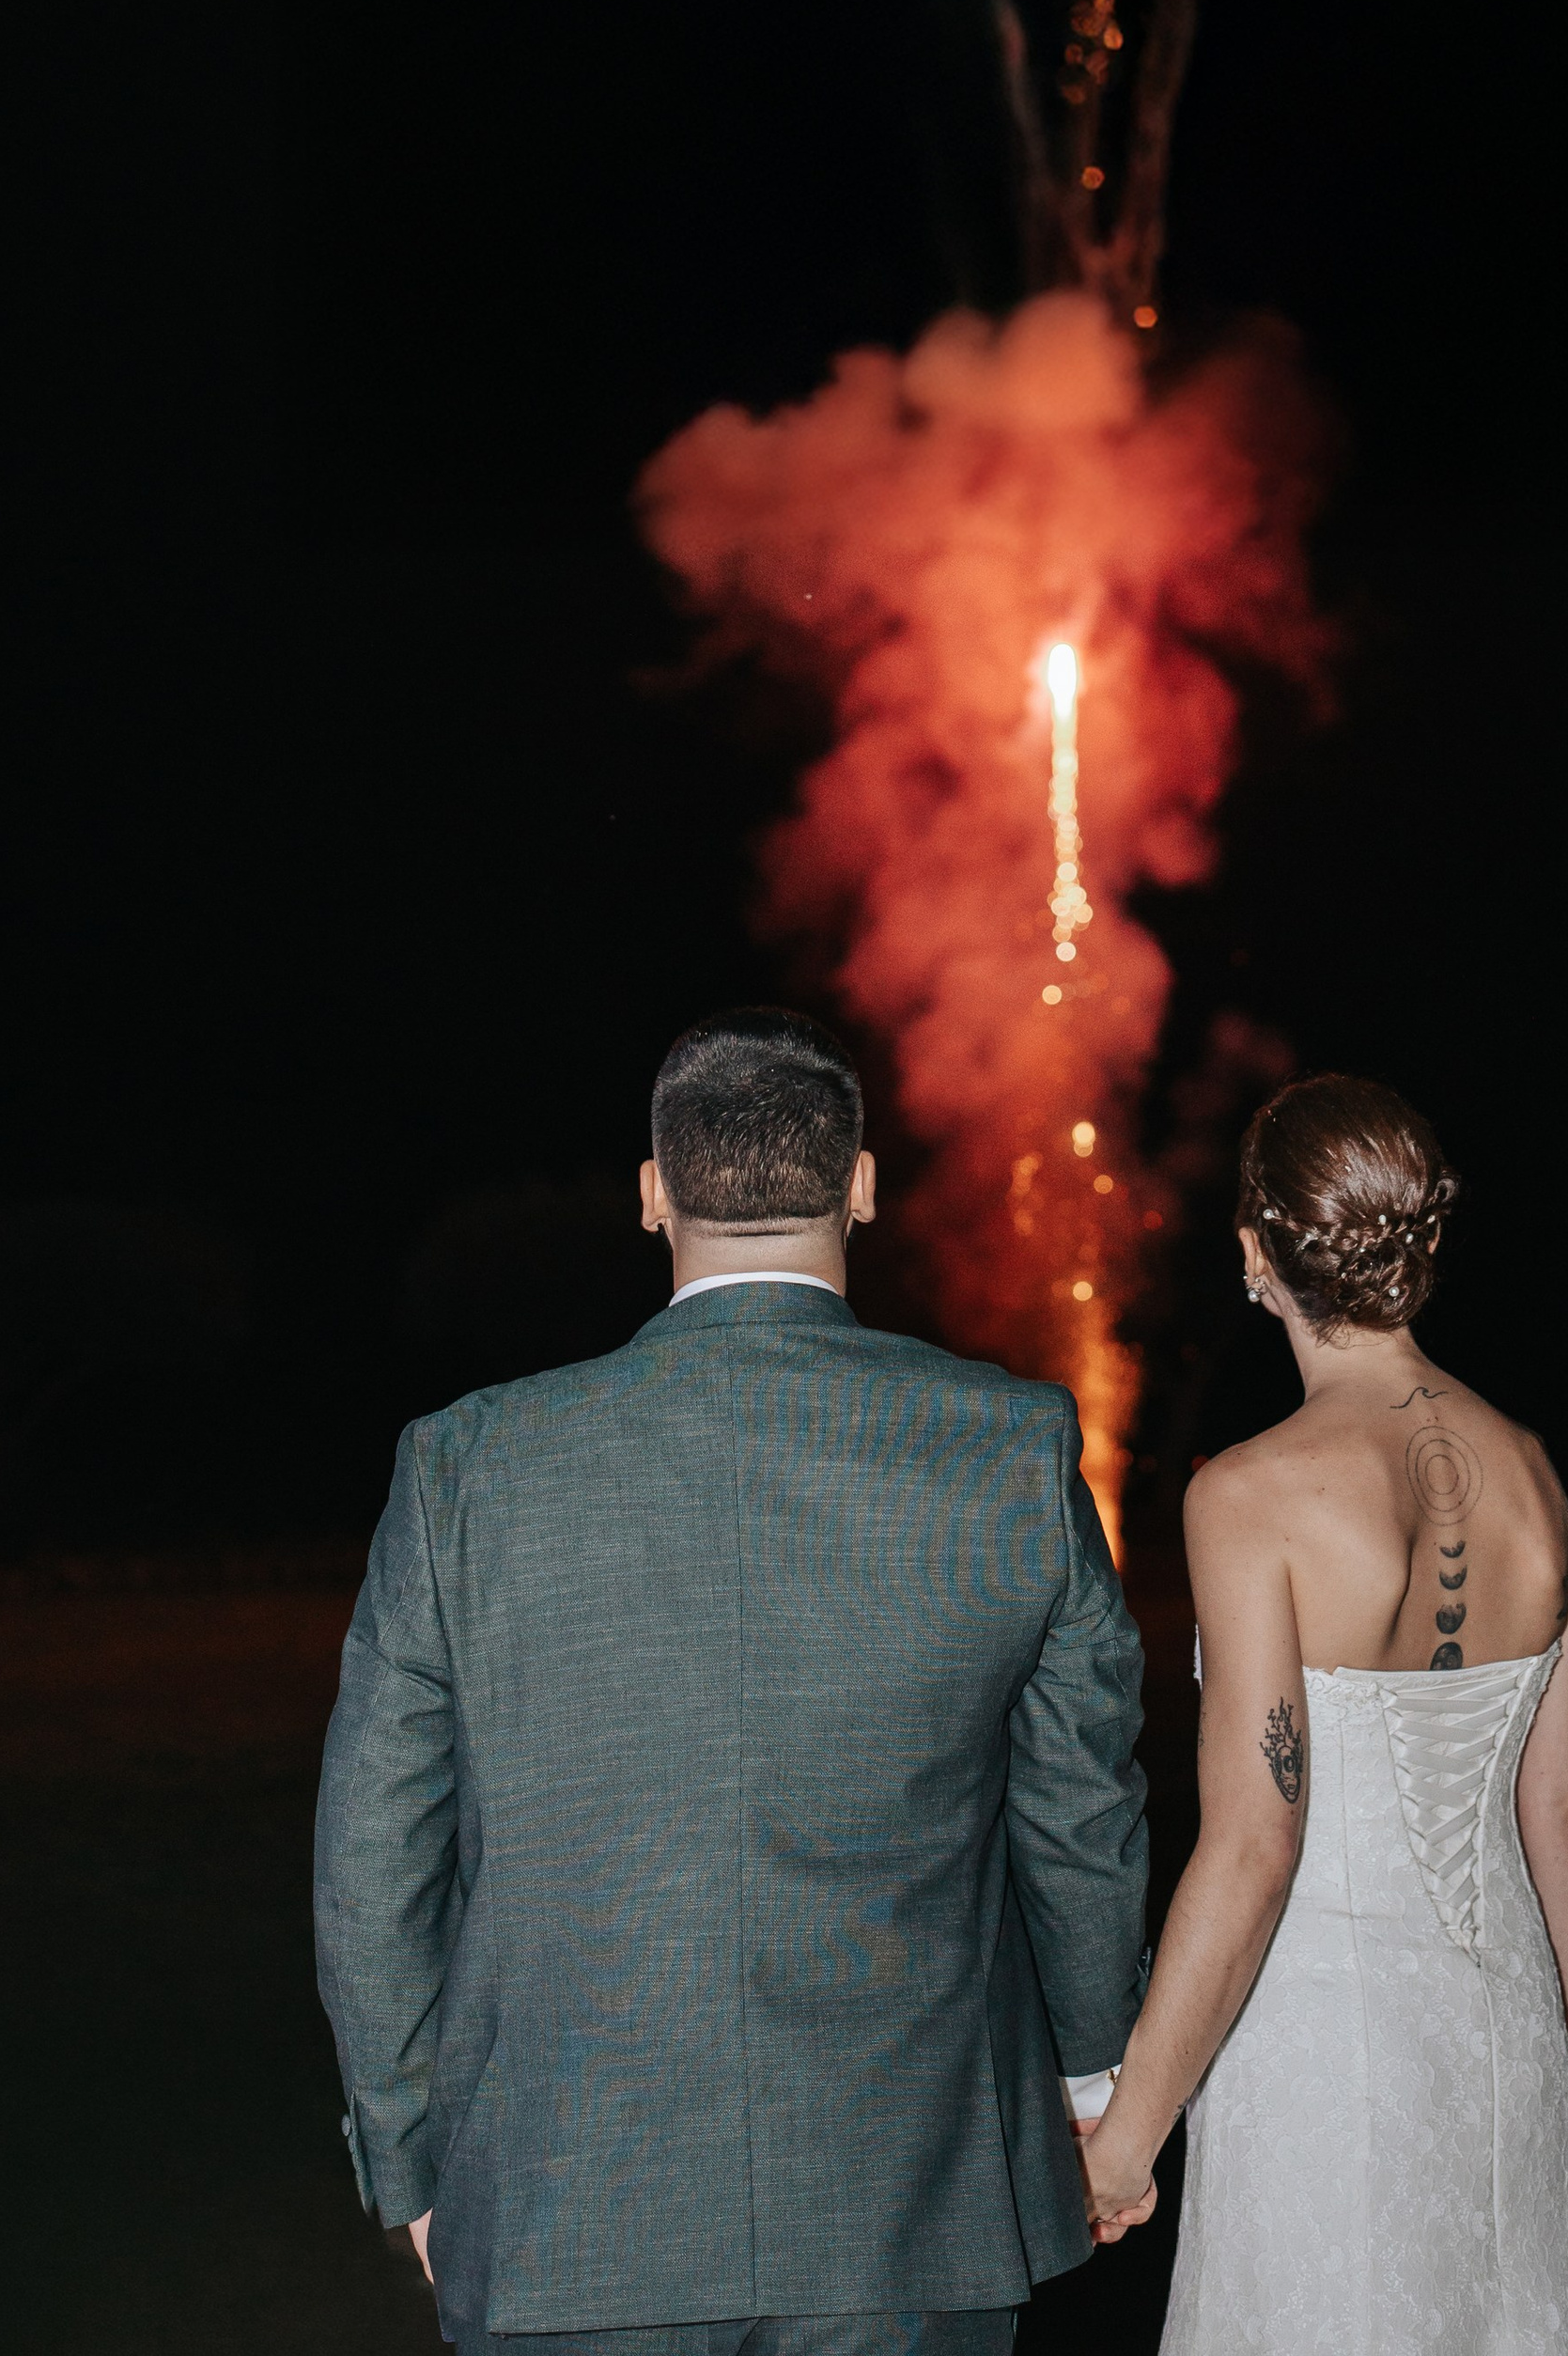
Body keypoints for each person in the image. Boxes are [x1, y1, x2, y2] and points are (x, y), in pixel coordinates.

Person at [315, 1006, 1152, 2356]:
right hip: (910, 2209)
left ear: (653, 1196)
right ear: (862, 1184)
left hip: (560, 2205)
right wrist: (1096, 2079)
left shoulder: (471, 1467)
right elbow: (1081, 1816)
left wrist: (410, 2157)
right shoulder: (1007, 1448)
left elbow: (372, 1851)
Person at [1081, 1072, 1568, 2354]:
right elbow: (1565, 1810)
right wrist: (1563, 2094)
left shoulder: (1249, 1495)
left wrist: (1126, 2140)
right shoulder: (1534, 1471)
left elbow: (1257, 1844)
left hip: (1326, 2053)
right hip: (1516, 2042)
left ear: (1258, 1253)